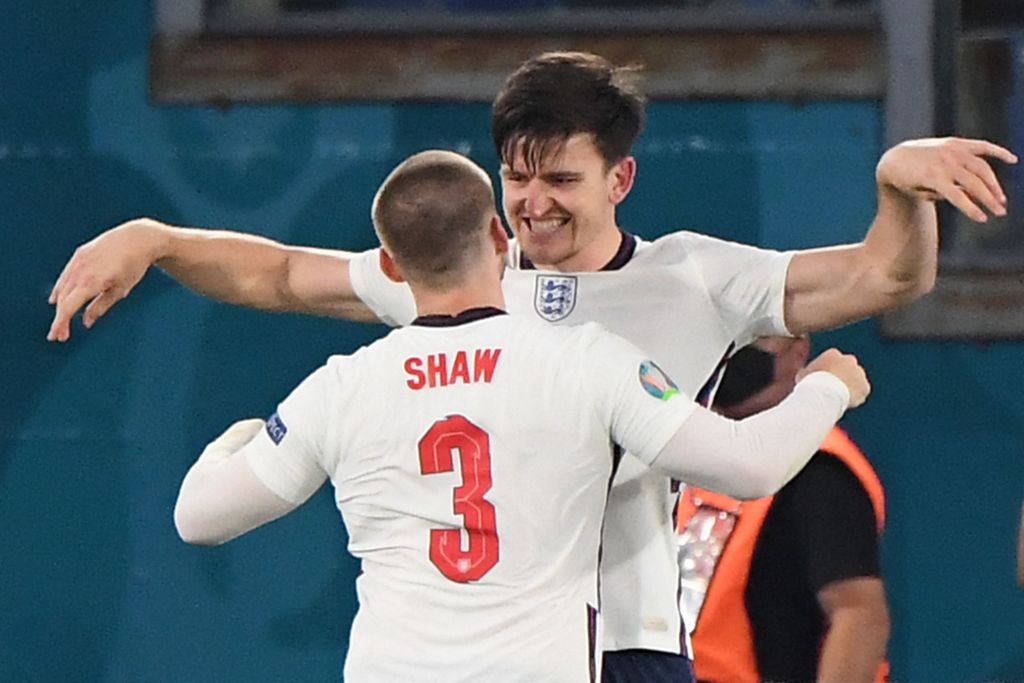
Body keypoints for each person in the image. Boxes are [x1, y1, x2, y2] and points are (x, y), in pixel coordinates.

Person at [47, 51, 1015, 682]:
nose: (532, 201)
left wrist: (897, 185)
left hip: (631, 643)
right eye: (515, 174)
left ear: (620, 176)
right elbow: (281, 273)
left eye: (560, 177)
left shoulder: (697, 278)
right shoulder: (456, 285)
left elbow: (885, 273)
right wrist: (158, 235)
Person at [173, 149, 870, 681]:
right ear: (500, 238)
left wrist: (230, 445)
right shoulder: (586, 361)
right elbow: (749, 464)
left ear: (388, 264)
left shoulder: (341, 388)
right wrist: (826, 386)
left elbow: (198, 517)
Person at [677, 336, 889, 683]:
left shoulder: (818, 468)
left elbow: (858, 615)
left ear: (798, 350)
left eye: (758, 337)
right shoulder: (694, 448)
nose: (739, 350)